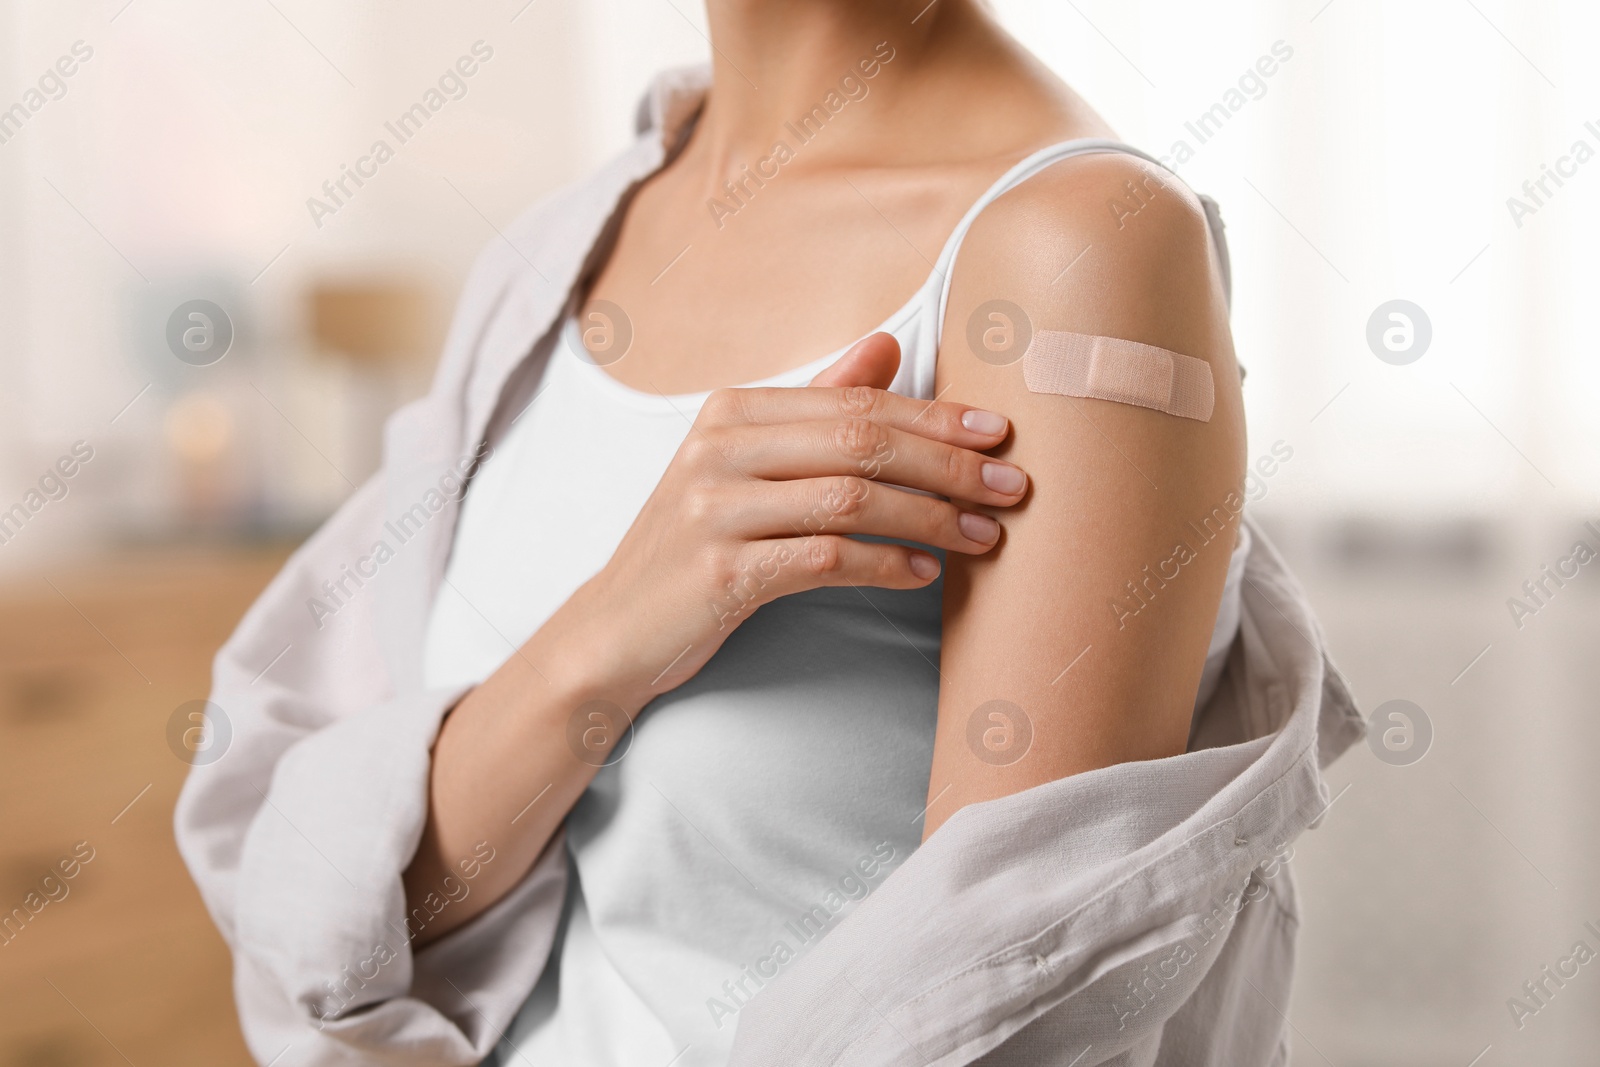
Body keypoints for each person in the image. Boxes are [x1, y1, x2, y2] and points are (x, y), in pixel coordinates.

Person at [177, 3, 1363, 1065]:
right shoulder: (550, 263)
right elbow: (346, 916)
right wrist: (610, 632)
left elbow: (1001, 1016)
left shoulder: (1082, 249)